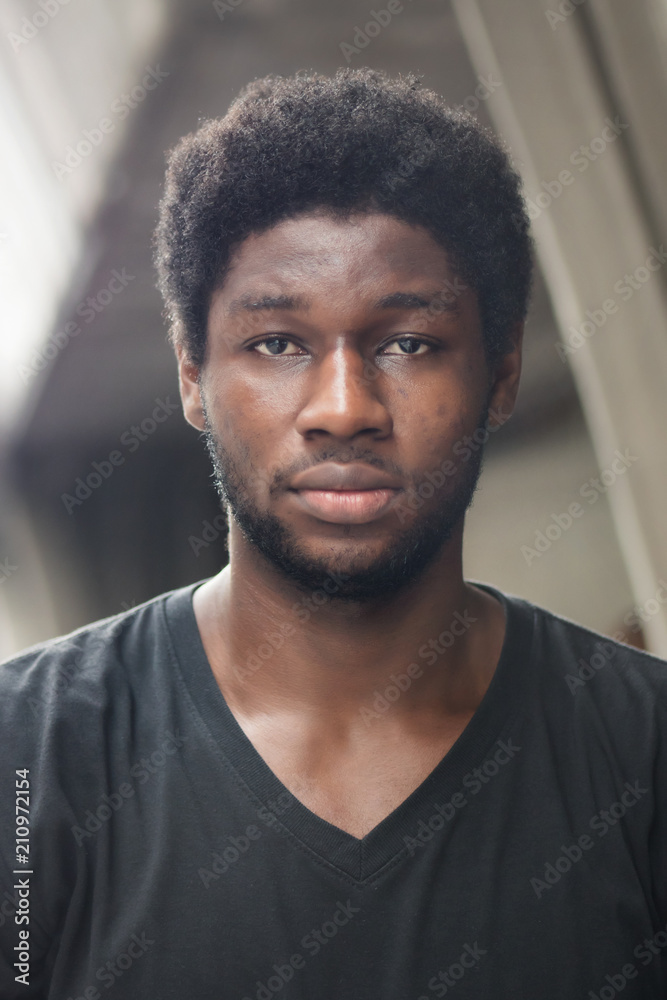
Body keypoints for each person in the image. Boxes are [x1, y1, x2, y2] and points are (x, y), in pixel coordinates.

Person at [1, 67, 666, 1000]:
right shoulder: (27, 759)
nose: (344, 409)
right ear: (192, 375)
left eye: (407, 343)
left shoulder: (640, 751)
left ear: (502, 369)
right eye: (277, 344)